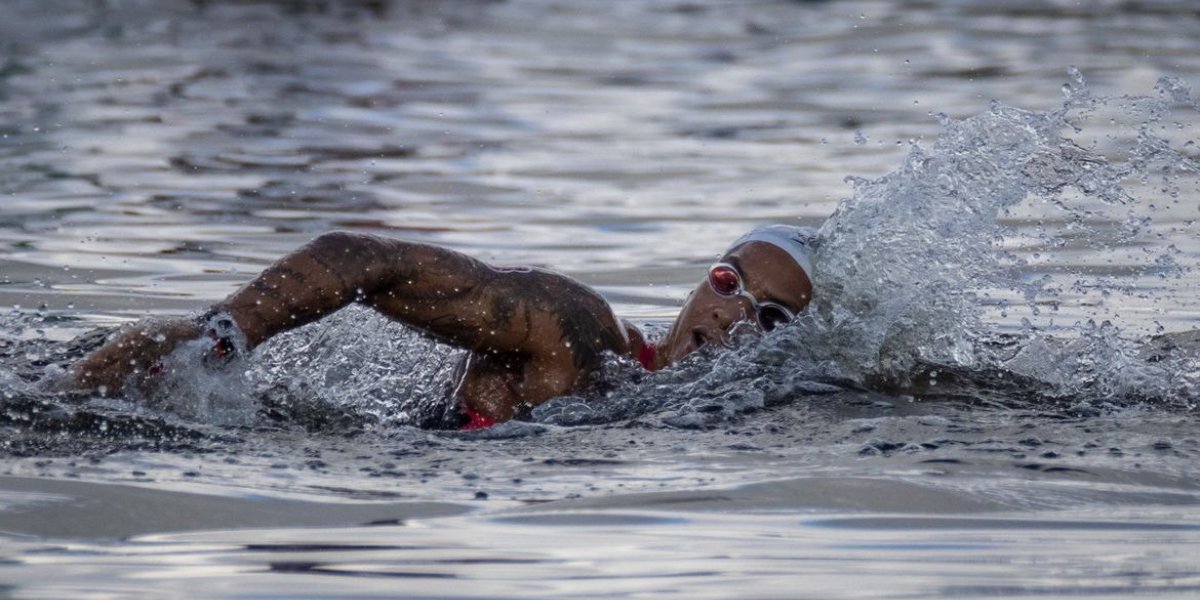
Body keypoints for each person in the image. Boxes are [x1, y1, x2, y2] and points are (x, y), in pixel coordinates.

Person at [69, 225, 815, 429]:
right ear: (701, 279)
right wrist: (222, 341)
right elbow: (360, 256)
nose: (734, 316)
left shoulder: (712, 418)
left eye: (772, 317)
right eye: (729, 282)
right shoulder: (579, 329)